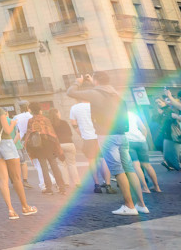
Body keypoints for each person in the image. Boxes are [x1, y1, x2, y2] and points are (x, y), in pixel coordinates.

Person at [67, 73, 148, 216]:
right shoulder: (115, 93)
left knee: (117, 170)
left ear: (96, 81)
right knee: (129, 169)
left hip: (107, 135)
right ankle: (141, 204)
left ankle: (129, 206)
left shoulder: (95, 93)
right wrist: (94, 82)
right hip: (121, 134)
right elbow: (103, 91)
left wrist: (78, 82)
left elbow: (70, 92)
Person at [0, 100, 36, 221]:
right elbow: (7, 130)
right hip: (6, 144)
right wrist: (13, 123)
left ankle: (11, 210)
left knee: (3, 179)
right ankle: (25, 207)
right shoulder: (0, 111)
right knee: (16, 178)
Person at [69, 98, 114, 193]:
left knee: (92, 161)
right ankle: (108, 185)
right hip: (100, 136)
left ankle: (97, 185)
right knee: (104, 160)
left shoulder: (74, 108)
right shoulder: (97, 105)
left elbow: (74, 124)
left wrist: (81, 134)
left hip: (88, 138)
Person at [24, 102, 66, 195]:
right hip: (49, 144)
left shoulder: (31, 121)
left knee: (44, 167)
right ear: (40, 110)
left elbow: (29, 135)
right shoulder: (46, 119)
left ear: (31, 110)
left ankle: (48, 188)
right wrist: (58, 148)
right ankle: (61, 187)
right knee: (54, 165)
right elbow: (52, 133)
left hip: (38, 146)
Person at [12, 102, 45, 190]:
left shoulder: (16, 117)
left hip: (26, 142)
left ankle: (45, 181)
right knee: (40, 162)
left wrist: (14, 143)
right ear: (28, 107)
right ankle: (45, 182)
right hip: (37, 140)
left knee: (36, 163)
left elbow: (17, 133)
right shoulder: (31, 117)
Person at [126, 110, 161, 193]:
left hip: (129, 141)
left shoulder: (116, 116)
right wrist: (143, 139)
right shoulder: (133, 114)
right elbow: (143, 128)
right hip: (141, 141)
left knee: (136, 165)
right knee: (147, 165)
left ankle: (145, 188)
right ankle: (157, 187)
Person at [46, 108, 80, 188]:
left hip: (58, 146)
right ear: (57, 114)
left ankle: (66, 183)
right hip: (69, 144)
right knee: (72, 164)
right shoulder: (64, 122)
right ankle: (77, 182)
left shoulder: (50, 125)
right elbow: (70, 134)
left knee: (61, 164)